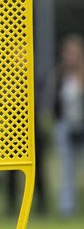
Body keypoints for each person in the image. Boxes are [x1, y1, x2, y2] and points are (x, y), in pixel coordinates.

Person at [46, 33, 84, 218]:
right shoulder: (59, 74)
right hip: (64, 125)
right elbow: (51, 101)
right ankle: (66, 208)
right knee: (66, 168)